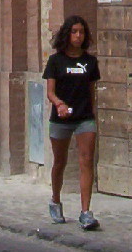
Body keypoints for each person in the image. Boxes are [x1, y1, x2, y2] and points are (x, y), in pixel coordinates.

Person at [42, 14, 101, 230]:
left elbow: (91, 91)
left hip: (84, 118)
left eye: (82, 32)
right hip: (61, 118)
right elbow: (50, 91)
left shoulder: (90, 62)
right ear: (67, 34)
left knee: (86, 161)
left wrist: (93, 115)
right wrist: (59, 104)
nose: (78, 36)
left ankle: (86, 212)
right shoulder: (56, 61)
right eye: (74, 32)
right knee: (60, 161)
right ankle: (55, 200)